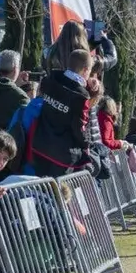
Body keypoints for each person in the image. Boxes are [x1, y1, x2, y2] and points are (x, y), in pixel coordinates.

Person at [30, 49, 97, 179]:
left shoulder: (50, 81)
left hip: (40, 144)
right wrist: (86, 145)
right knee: (60, 193)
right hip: (62, 154)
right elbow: (80, 127)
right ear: (85, 70)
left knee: (40, 189)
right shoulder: (81, 97)